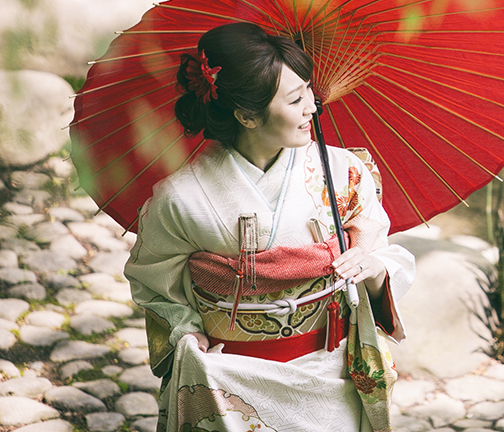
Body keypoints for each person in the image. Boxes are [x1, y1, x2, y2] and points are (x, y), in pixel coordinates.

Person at [124, 22, 416, 432]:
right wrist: (185, 330)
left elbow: (379, 247)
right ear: (246, 115)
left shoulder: (344, 173)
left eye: (309, 91)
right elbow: (152, 280)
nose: (313, 106)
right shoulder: (180, 197)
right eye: (296, 99)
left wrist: (374, 269)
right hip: (229, 376)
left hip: (330, 369)